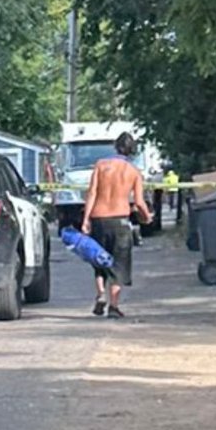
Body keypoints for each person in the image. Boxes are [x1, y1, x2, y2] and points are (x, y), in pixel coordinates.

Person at [81, 132, 153, 319]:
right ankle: (113, 305)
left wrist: (86, 219)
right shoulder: (133, 171)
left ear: (115, 146)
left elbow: (92, 194)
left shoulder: (100, 165)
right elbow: (138, 202)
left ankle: (100, 294)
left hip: (98, 218)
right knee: (119, 264)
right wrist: (147, 217)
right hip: (120, 219)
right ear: (132, 150)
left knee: (99, 259)